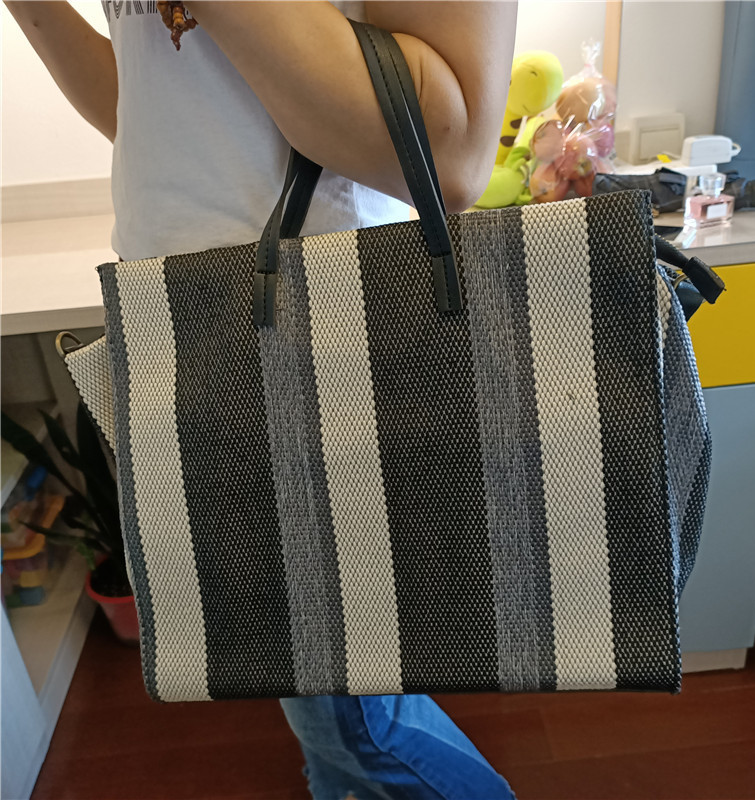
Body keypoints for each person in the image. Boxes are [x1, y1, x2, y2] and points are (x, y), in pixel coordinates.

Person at [6, 2, 518, 798]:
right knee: (328, 692)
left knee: (354, 716)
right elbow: (154, 113)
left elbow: (451, 153)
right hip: (185, 315)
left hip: (319, 323)